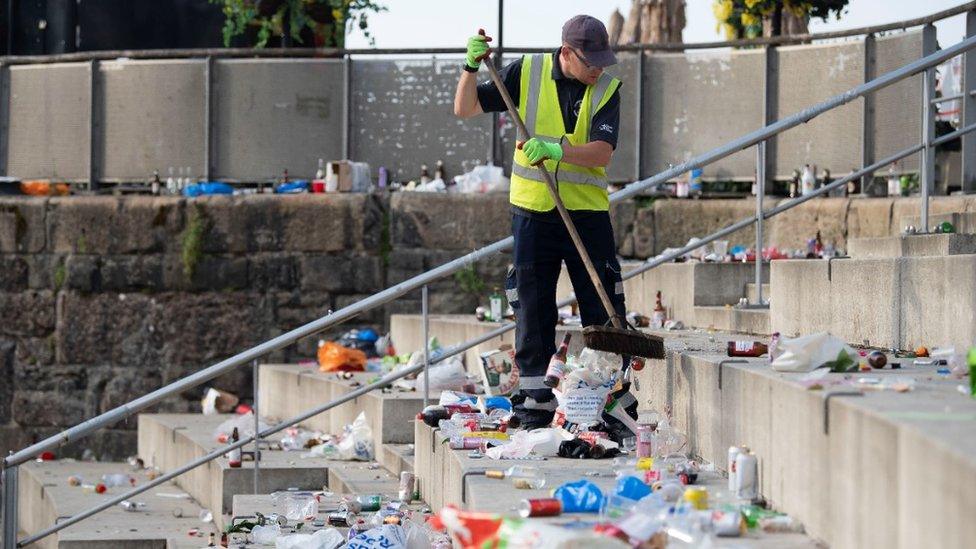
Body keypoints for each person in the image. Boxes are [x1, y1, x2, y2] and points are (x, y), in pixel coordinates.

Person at [454, 15, 635, 430]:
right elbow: (464, 108)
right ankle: (534, 403)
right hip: (534, 212)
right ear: (567, 53)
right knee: (533, 308)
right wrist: (469, 67)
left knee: (601, 306)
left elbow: (602, 152)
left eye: (602, 62)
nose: (598, 70)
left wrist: (555, 148)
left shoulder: (607, 89)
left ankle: (607, 397)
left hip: (586, 214)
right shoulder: (526, 72)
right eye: (590, 62)